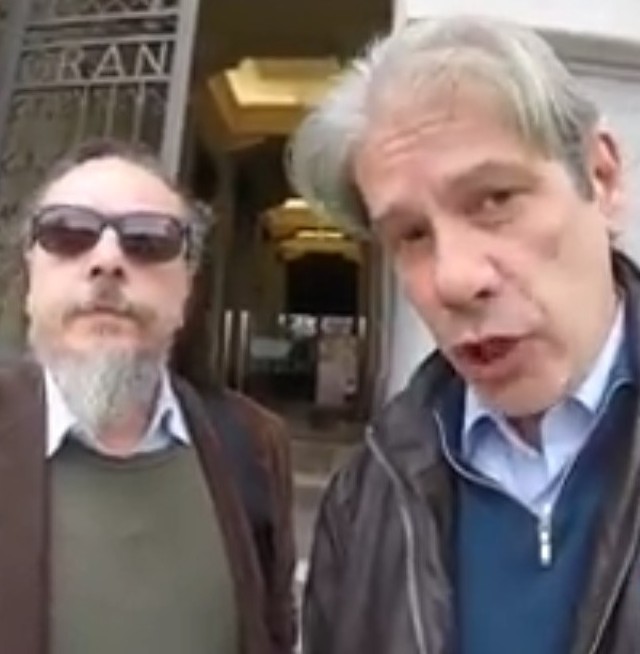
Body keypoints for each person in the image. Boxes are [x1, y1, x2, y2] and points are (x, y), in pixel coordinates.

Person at [288, 15, 640, 654]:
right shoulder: (365, 498)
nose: (453, 279)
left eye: (494, 200)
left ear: (602, 177)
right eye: (411, 235)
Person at [0, 138, 295, 654]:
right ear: (30, 279)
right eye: (67, 232)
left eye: (148, 239)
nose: (107, 260)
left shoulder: (253, 445)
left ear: (187, 288)